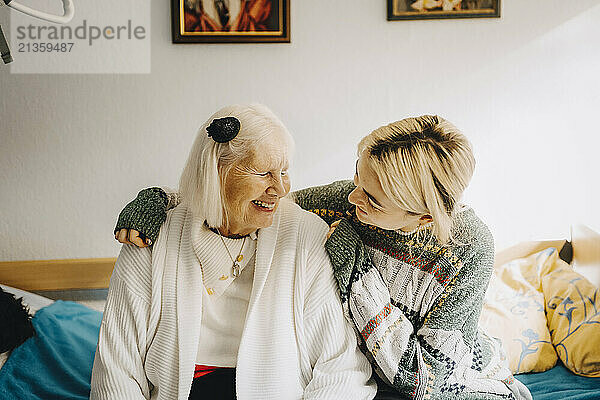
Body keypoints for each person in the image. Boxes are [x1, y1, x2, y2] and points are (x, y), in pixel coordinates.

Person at [115, 115, 532, 399]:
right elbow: (248, 202)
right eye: (356, 176)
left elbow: (427, 381)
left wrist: (360, 277)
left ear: (423, 215)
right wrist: (159, 200)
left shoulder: (468, 248)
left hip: (447, 385)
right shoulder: (344, 202)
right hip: (367, 382)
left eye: (371, 198)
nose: (352, 198)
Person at [91, 104, 376, 400]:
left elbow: (341, 368)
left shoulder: (305, 236)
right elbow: (117, 369)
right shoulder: (151, 234)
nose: (279, 188)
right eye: (263, 173)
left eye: (284, 172)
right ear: (217, 171)